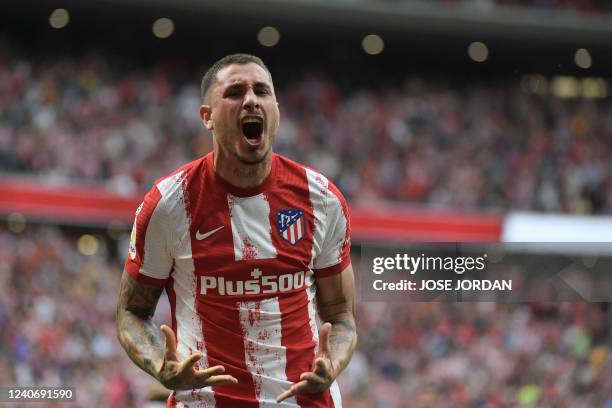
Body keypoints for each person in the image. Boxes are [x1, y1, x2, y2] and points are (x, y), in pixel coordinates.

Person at [116, 53, 356, 408]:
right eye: (234, 92)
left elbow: (341, 317)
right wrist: (160, 365)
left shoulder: (322, 199)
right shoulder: (169, 204)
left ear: (276, 109)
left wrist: (333, 363)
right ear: (207, 117)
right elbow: (131, 312)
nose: (250, 100)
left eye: (262, 91)